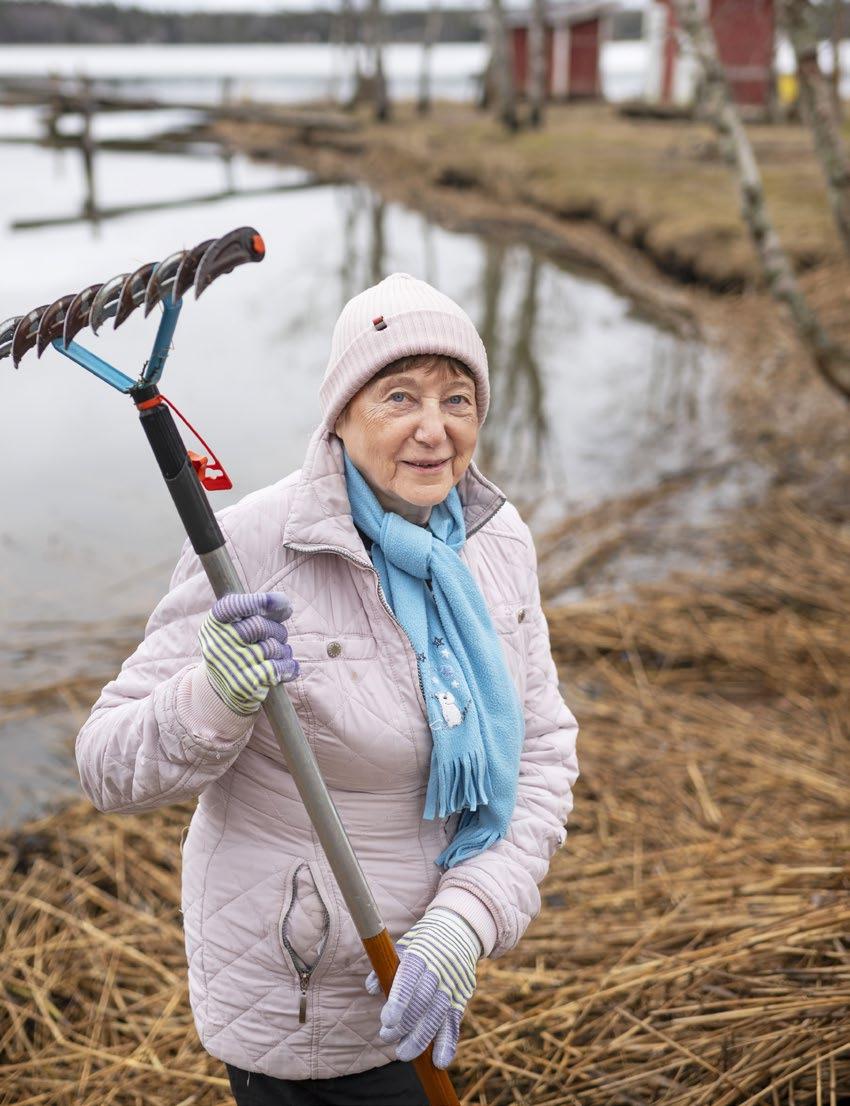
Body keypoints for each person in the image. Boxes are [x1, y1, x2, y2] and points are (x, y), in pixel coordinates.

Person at [75, 273, 580, 1106]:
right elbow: (105, 766)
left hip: (428, 967)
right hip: (295, 993)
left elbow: (542, 753)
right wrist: (214, 695)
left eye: (457, 399)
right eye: (399, 396)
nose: (434, 429)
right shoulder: (254, 546)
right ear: (340, 415)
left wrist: (466, 920)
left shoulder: (495, 541)